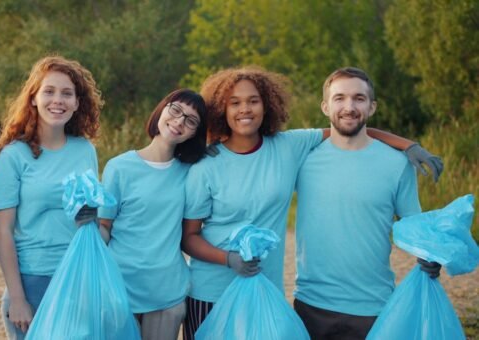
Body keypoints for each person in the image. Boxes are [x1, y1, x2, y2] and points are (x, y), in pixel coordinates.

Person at [180, 66, 442, 339]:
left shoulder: (288, 146)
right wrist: (228, 258)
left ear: (267, 105)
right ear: (221, 108)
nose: (244, 109)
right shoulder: (206, 164)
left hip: (266, 291)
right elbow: (189, 236)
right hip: (212, 294)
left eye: (253, 101)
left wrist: (408, 145)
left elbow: (348, 127)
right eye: (234, 103)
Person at [292, 67, 441, 339]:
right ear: (325, 107)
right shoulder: (302, 158)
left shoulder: (398, 164)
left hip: (375, 307)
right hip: (311, 305)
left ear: (372, 107)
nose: (349, 107)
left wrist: (430, 253)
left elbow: (412, 225)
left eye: (359, 98)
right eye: (339, 98)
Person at [0, 56, 102, 339]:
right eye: (49, 91)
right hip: (32, 281)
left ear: (77, 103)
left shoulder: (85, 150)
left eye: (67, 93)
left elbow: (90, 219)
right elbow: (3, 232)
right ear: (33, 98)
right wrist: (17, 297)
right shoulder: (14, 155)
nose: (57, 100)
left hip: (77, 278)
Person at [98, 89, 207, 340]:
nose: (179, 121)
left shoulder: (191, 172)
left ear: (195, 133)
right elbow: (105, 228)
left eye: (191, 121)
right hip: (119, 287)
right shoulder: (119, 167)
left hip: (167, 291)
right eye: (176, 110)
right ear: (162, 109)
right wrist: (88, 225)